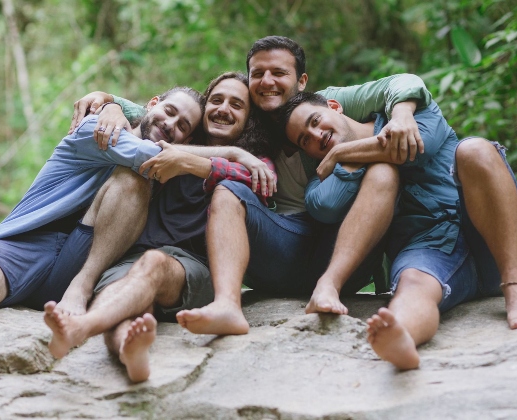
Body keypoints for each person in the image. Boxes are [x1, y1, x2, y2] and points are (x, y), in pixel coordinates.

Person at [0, 87, 205, 399]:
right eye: (169, 111)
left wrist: (115, 101)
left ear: (188, 139)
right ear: (151, 104)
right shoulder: (96, 125)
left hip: (81, 260)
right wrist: (113, 105)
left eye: (183, 126)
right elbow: (152, 152)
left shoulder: (163, 159)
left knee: (134, 181)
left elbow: (159, 154)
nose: (170, 124)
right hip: (27, 245)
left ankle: (96, 309)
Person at [176, 35, 431, 335]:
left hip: (346, 247)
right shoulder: (245, 114)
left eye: (279, 73)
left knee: (385, 171)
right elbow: (169, 111)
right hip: (280, 245)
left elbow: (400, 84)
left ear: (301, 81)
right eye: (257, 74)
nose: (267, 81)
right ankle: (227, 306)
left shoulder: (324, 107)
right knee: (228, 190)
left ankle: (329, 287)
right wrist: (112, 104)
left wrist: (401, 115)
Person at [279, 91, 517, 369]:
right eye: (304, 140)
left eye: (315, 120)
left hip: (500, 235)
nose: (315, 135)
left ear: (334, 106)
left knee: (474, 149)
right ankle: (402, 336)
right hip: (429, 249)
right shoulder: (324, 175)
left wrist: (342, 151)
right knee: (411, 286)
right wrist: (357, 162)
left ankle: (515, 286)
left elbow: (415, 145)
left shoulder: (409, 116)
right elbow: (325, 205)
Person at [43, 72, 275, 382]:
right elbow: (149, 116)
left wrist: (207, 161)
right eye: (216, 100)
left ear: (248, 120)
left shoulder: (255, 161)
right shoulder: (182, 136)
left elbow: (262, 184)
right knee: (121, 298)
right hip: (132, 257)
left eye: (236, 105)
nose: (223, 109)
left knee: (153, 264)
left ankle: (80, 328)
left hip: (191, 270)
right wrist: (111, 103)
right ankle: (129, 350)